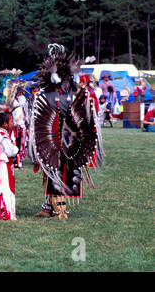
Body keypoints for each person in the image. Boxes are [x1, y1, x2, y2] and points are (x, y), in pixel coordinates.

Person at [29, 43, 104, 219]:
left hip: (65, 141)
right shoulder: (69, 96)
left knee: (58, 170)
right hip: (59, 139)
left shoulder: (53, 96)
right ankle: (48, 207)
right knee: (53, 170)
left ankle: (60, 208)